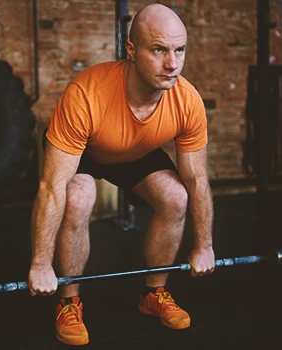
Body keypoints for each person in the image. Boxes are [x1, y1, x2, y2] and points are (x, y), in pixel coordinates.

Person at [28, 3, 215, 346]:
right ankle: (69, 302)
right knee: (78, 196)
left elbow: (197, 179)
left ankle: (153, 295)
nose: (172, 64)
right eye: (158, 50)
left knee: (176, 195)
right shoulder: (87, 95)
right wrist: (41, 263)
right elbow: (51, 185)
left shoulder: (186, 100)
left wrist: (205, 245)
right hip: (84, 150)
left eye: (179, 50)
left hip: (134, 151)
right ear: (131, 50)